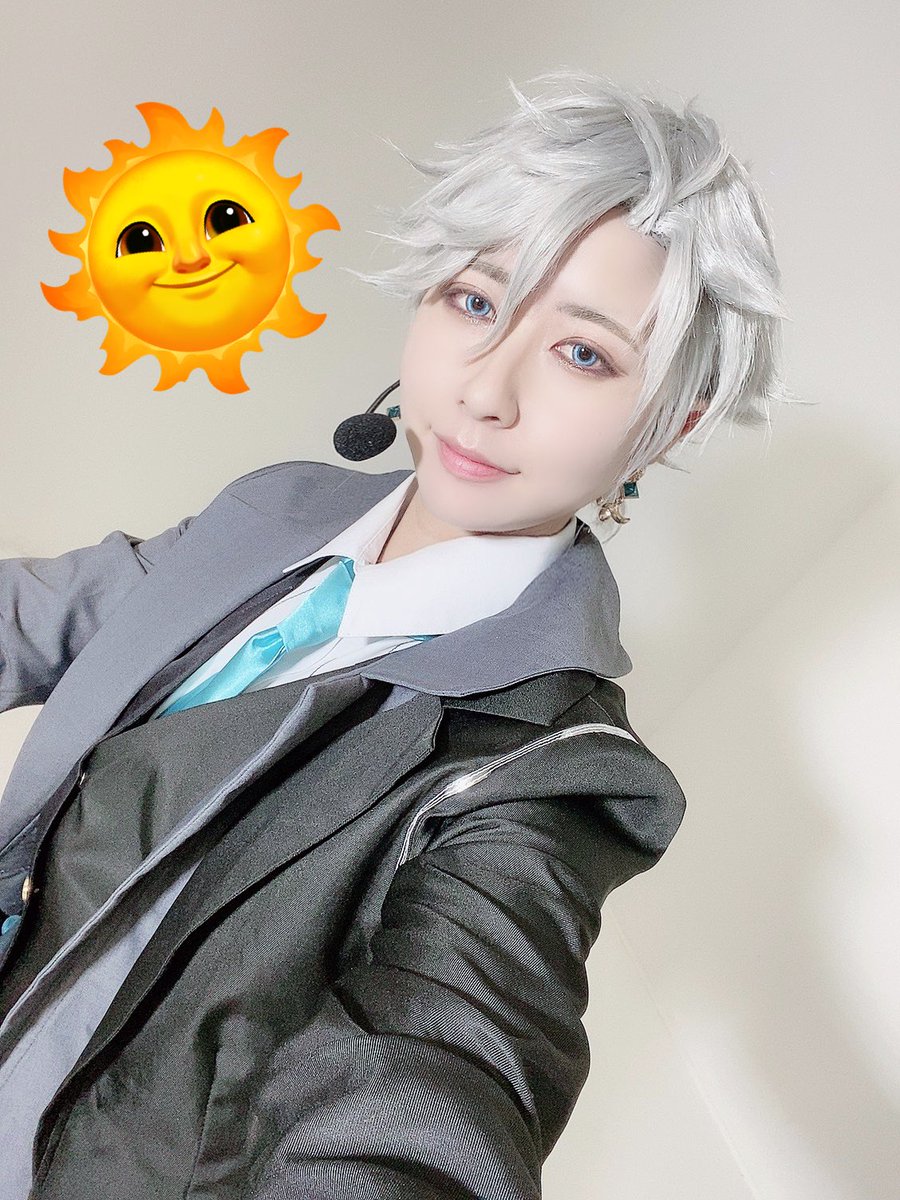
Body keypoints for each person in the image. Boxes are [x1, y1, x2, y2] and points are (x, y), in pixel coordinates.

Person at [0, 69, 787, 1199]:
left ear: (671, 421)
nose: (486, 392)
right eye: (475, 301)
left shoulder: (546, 767)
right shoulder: (276, 510)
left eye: (584, 354)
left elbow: (450, 1070)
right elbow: (43, 613)